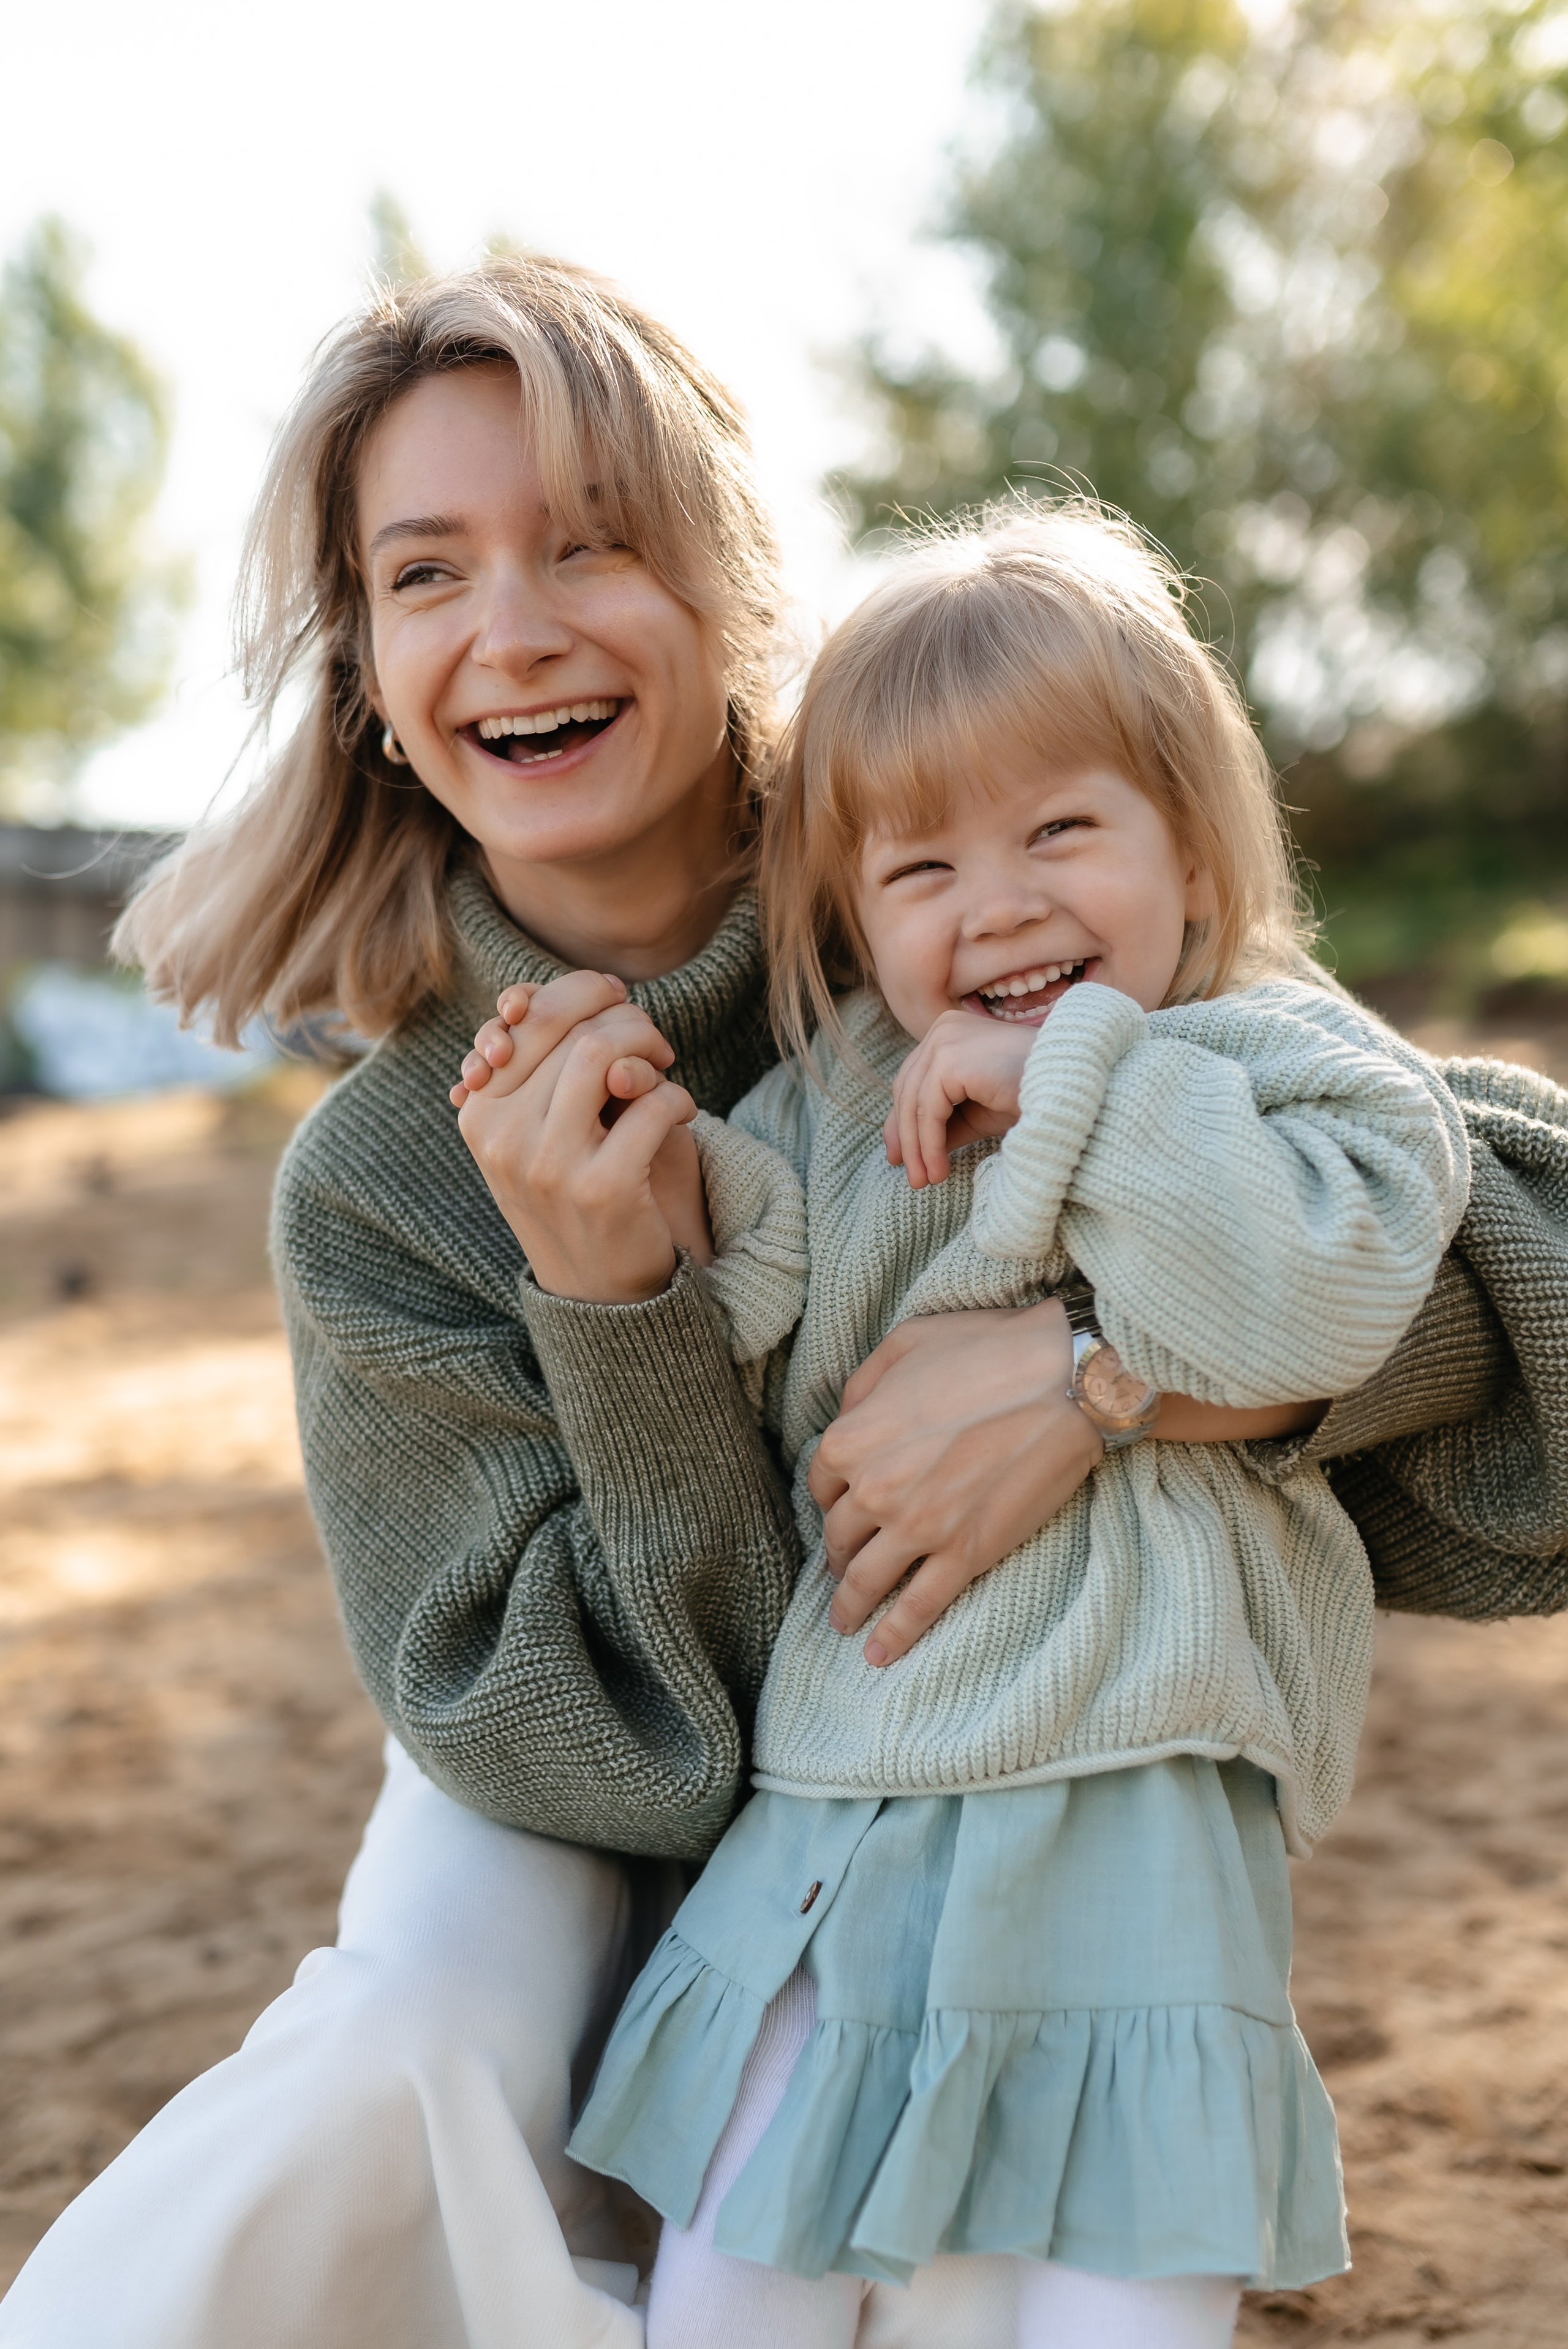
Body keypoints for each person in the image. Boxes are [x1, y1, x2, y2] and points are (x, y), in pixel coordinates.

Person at [3, 259, 1564, 2349]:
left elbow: (1451, 1216)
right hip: (629, 1775)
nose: (517, 625)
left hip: (1029, 1734)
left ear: (728, 582)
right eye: (427, 573)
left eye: (589, 542)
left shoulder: (961, 873)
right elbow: (622, 1762)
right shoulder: (388, 1175)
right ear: (372, 669)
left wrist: (1106, 1387)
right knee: (408, 2045)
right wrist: (617, 1302)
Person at [519, 507, 1460, 2345]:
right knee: (732, 2277)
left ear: (1188, 847)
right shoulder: (845, 1089)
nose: (1002, 903)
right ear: (854, 916)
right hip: (846, 1809)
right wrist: (640, 1160)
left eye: (1060, 829)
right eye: (925, 865)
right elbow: (756, 1306)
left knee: (1111, 2307)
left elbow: (1333, 1276)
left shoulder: (1270, 1052)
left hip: (1133, 1798)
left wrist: (1077, 1082)